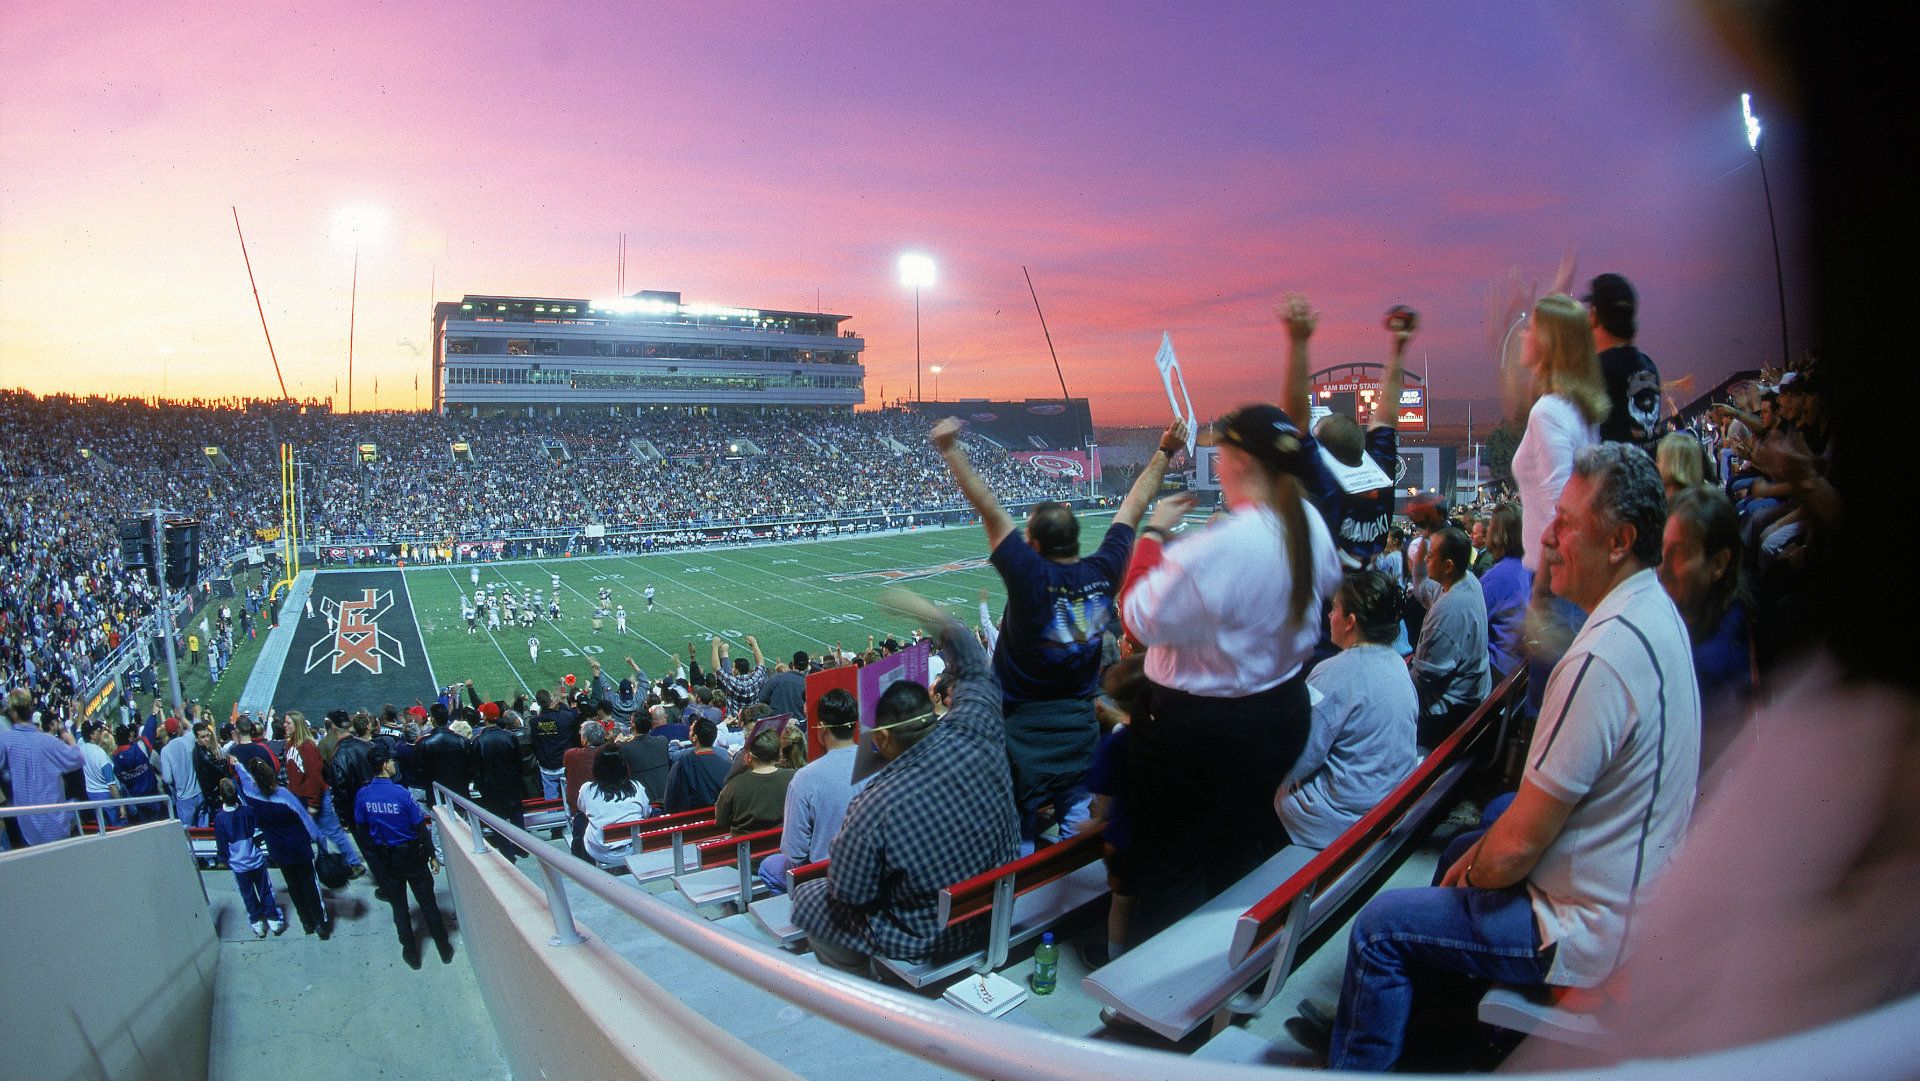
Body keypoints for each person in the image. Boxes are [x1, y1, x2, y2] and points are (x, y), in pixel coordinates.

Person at [1319, 442, 1699, 1071]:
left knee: (1381, 925)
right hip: (1624, 897)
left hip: (1586, 931)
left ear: (1620, 540)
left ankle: (1364, 1059)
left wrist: (1474, 873)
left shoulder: (1601, 655)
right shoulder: (1652, 613)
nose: (1547, 536)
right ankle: (1411, 1037)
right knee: (1456, 849)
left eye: (1567, 521)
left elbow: (1519, 848)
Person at [1116, 403, 1342, 939]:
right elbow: (1325, 585)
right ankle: (1228, 959)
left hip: (1199, 733)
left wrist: (1152, 539)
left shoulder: (1222, 545)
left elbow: (1138, 617)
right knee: (1238, 848)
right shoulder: (1305, 520)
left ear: (1237, 458)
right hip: (1279, 712)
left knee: (1170, 867)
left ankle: (1166, 997)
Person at [933, 411, 1188, 852]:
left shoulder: (1030, 576)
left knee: (1015, 834)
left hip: (1021, 734)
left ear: (1032, 544)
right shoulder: (1103, 569)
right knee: (1080, 828)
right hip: (1079, 726)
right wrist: (1165, 451)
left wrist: (951, 451)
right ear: (1075, 539)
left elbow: (989, 508)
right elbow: (1133, 506)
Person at [790, 596, 1019, 975]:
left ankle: (865, 985)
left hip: (930, 935)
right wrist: (935, 617)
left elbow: (849, 894)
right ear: (931, 714)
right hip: (995, 909)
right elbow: (976, 670)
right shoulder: (979, 730)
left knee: (810, 898)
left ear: (879, 739)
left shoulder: (874, 804)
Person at [1511, 292, 1609, 713]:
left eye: (1531, 327)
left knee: (1547, 719)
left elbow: (1559, 514)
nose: (1524, 334)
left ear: (1549, 341)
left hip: (1556, 590)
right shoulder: (1577, 408)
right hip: (1572, 586)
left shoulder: (1549, 411)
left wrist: (1537, 602)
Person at [1277, 571, 1419, 850]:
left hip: (1339, 819)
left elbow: (1299, 757)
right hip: (1386, 804)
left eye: (1335, 609)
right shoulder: (1397, 664)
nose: (1329, 616)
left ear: (1351, 621)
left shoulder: (1332, 673)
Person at [1277, 293, 1413, 572]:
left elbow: (1296, 421)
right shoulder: (1380, 470)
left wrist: (1299, 342)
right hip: (1370, 590)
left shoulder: (1325, 483)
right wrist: (1398, 348)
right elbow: (1386, 413)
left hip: (1335, 602)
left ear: (1326, 451)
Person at [1659, 487, 1753, 773]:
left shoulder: (1708, 664)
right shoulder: (1730, 612)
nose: (1661, 569)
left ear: (1718, 563)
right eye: (1661, 550)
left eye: (1679, 553)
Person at [355, 749, 455, 968]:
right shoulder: (401, 793)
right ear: (383, 764)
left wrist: (376, 859)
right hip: (411, 855)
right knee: (428, 903)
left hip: (385, 857)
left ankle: (410, 951)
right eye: (391, 761)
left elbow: (362, 830)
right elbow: (420, 826)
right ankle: (443, 946)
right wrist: (431, 855)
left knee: (399, 908)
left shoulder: (363, 795)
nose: (394, 764)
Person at [760, 688, 861, 893]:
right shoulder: (881, 764)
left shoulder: (806, 778)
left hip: (827, 877)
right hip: (871, 870)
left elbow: (794, 852)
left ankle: (803, 913)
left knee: (767, 866)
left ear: (822, 728)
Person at [1409, 527, 1491, 746]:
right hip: (1472, 696)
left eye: (1431, 555)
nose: (1426, 558)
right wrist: (1417, 564)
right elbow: (1427, 591)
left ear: (1448, 566)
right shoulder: (1468, 581)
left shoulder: (1449, 609)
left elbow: (1424, 677)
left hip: (1449, 715)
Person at [240, 758, 332, 939]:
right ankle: (320, 923)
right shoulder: (284, 796)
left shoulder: (251, 794)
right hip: (298, 848)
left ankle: (306, 922)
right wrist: (322, 844)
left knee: (293, 886)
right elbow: (307, 822)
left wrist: (237, 764)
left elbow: (244, 778)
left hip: (278, 850)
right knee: (310, 885)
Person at [283, 711, 365, 878]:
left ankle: (354, 864)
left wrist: (313, 804)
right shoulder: (290, 745)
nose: (285, 726)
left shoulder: (308, 747)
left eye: (288, 723)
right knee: (317, 834)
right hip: (303, 798)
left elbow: (314, 777)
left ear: (297, 725)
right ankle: (326, 866)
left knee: (333, 832)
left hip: (316, 797)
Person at [1585, 272, 1663, 446]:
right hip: (1648, 471)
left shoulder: (1593, 372)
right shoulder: (1649, 367)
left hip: (1611, 472)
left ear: (1594, 315)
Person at [0, 688, 83, 845]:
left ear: (12, 713)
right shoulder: (48, 742)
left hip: (26, 826)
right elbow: (77, 759)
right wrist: (69, 737)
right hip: (54, 825)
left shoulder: (6, 741)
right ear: (31, 709)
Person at [211, 778, 285, 937]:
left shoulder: (219, 819)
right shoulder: (247, 811)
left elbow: (221, 845)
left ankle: (257, 922)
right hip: (256, 860)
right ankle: (273, 920)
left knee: (248, 895)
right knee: (265, 890)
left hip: (239, 865)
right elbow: (256, 832)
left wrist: (224, 859)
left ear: (221, 796)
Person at [1479, 502, 1534, 680]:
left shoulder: (1496, 576)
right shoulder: (1529, 569)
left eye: (1489, 527)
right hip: (1517, 669)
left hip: (1497, 670)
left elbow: (1471, 626)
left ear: (1497, 532)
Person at [576, 746, 653, 868]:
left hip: (600, 852)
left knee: (580, 819)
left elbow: (582, 809)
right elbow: (646, 813)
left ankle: (581, 864)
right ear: (624, 767)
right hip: (632, 848)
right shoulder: (636, 787)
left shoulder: (587, 789)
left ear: (596, 767)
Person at [713, 726, 795, 834]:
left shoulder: (734, 785)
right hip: (784, 844)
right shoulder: (794, 777)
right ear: (778, 755)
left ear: (748, 757)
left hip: (745, 847)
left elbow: (720, 820)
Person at [470, 708, 527, 859]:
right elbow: (518, 762)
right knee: (516, 816)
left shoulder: (479, 741)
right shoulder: (509, 736)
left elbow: (476, 770)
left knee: (497, 820)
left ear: (485, 719)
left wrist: (482, 787)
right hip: (511, 784)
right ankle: (521, 847)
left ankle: (507, 851)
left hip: (491, 788)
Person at [661, 718, 731, 812]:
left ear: (694, 737)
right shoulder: (728, 766)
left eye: (690, 731)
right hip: (720, 822)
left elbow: (669, 805)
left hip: (691, 823)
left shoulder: (680, 766)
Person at [109, 722, 163, 823]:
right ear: (130, 736)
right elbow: (149, 733)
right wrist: (153, 714)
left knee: (146, 827)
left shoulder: (114, 758)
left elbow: (120, 778)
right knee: (160, 823)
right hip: (152, 796)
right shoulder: (139, 748)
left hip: (137, 799)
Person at [157, 716, 204, 826]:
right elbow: (196, 728)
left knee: (189, 834)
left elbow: (167, 779)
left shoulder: (165, 751)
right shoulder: (189, 739)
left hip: (184, 798)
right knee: (204, 832)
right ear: (178, 729)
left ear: (167, 733)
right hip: (199, 792)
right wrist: (182, 717)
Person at [758, 652, 809, 718]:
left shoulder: (777, 678)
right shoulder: (810, 684)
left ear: (793, 664)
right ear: (807, 666)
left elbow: (762, 697)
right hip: (799, 724)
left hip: (777, 722)